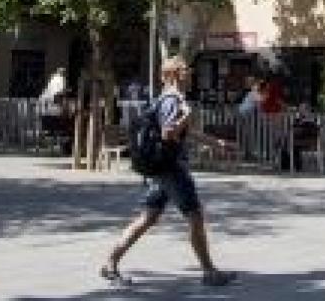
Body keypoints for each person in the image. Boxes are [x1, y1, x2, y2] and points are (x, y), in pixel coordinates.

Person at [99, 56, 236, 288]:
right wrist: (187, 116)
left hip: (160, 167)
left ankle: (110, 263)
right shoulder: (172, 99)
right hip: (170, 167)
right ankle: (209, 272)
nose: (190, 74)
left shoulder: (167, 98)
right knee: (195, 216)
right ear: (174, 74)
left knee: (148, 217)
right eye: (186, 70)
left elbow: (186, 132)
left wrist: (217, 143)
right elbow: (169, 133)